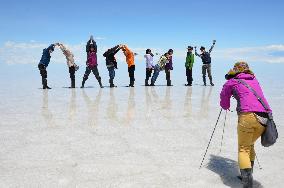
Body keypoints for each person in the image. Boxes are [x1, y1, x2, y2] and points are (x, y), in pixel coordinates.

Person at [220, 62, 272, 188]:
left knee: (243, 149)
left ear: (235, 70)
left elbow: (224, 99)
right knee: (250, 145)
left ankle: (247, 184)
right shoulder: (254, 79)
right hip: (265, 117)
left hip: (248, 117)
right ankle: (247, 176)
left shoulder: (232, 81)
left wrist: (225, 106)